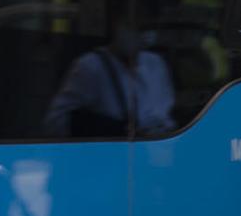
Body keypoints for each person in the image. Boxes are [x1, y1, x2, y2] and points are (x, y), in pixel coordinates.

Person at [42, 10, 176, 139]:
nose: (140, 33)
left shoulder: (156, 64)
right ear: (116, 23)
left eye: (146, 26)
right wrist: (107, 128)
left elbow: (165, 116)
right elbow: (55, 123)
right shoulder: (91, 66)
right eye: (133, 24)